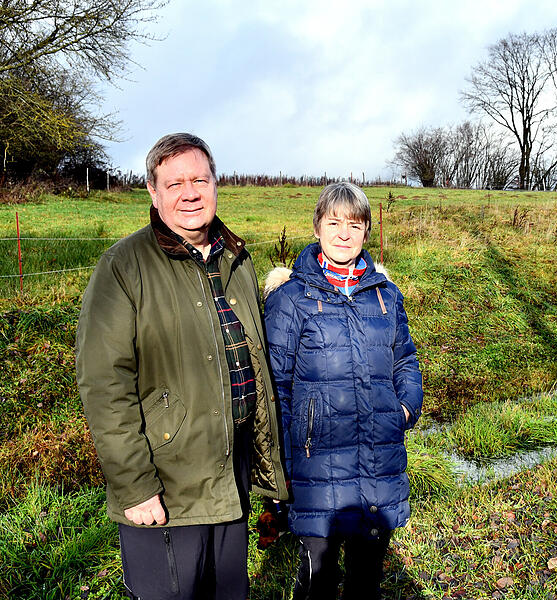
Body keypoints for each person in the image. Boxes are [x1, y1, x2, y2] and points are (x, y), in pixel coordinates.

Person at [76, 133, 287, 600]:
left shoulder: (237, 257)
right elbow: (104, 387)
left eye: (199, 179)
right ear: (153, 192)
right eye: (174, 183)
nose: (190, 193)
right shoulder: (122, 268)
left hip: (230, 482)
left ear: (216, 184)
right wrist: (134, 486)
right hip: (167, 490)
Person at [262, 182, 423, 600]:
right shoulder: (291, 299)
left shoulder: (386, 296)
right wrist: (280, 465)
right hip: (318, 467)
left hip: (377, 460)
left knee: (365, 582)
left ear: (367, 231)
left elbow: (405, 359)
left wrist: (405, 409)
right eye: (333, 222)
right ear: (317, 227)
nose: (343, 233)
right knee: (316, 581)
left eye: (354, 224)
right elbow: (275, 386)